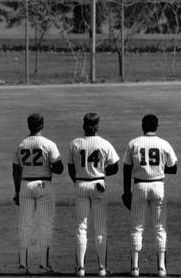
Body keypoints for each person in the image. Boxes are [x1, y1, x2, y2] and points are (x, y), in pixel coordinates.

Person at [122, 114, 178, 277]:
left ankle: (135, 268)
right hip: (158, 186)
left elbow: (126, 169)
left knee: (137, 228)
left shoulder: (134, 143)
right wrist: (159, 168)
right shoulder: (164, 143)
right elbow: (173, 168)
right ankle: (161, 267)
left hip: (139, 186)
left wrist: (126, 192)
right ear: (156, 126)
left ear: (142, 126)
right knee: (160, 228)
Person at [68, 112, 119, 278]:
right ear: (97, 126)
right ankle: (102, 268)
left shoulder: (74, 143)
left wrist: (78, 181)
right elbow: (115, 167)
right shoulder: (104, 143)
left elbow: (70, 168)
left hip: (80, 184)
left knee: (80, 227)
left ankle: (80, 268)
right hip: (99, 185)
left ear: (84, 126)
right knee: (100, 228)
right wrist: (100, 171)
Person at [12, 113, 64, 275]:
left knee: (24, 224)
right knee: (45, 224)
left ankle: (22, 265)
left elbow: (16, 170)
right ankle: (43, 264)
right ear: (42, 125)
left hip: (25, 185)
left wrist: (17, 191)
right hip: (44, 185)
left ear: (29, 126)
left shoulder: (21, 144)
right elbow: (59, 168)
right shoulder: (49, 144)